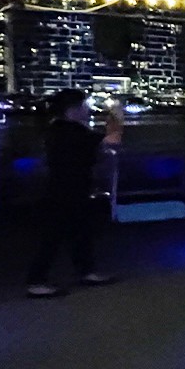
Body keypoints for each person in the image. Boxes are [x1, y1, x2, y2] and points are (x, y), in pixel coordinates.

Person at [25, 89, 123, 297]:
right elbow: (112, 140)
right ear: (72, 110)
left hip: (61, 187)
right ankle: (36, 281)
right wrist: (116, 115)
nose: (87, 110)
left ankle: (86, 271)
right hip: (69, 189)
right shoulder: (74, 132)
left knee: (78, 231)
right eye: (83, 106)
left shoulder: (57, 129)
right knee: (55, 235)